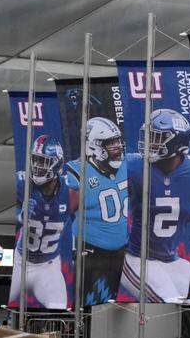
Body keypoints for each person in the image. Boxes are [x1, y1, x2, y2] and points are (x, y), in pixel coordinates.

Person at [119, 109, 190, 303]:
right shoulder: (134, 165)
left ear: (176, 143)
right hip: (137, 257)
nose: (149, 143)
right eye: (149, 136)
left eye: (157, 138)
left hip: (170, 258)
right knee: (168, 302)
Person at [66, 117, 127, 304]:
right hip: (91, 255)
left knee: (121, 308)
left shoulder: (128, 165)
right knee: (91, 307)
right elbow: (64, 215)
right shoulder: (77, 172)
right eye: (110, 142)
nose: (117, 146)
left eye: (118, 141)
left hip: (123, 253)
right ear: (94, 145)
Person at [10, 135, 74, 310]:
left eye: (44, 161)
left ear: (57, 164)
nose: (37, 166)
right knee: (2, 307)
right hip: (20, 261)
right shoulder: (23, 183)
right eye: (35, 160)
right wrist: (22, 215)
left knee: (58, 308)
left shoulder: (70, 191)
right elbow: (14, 216)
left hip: (48, 267)